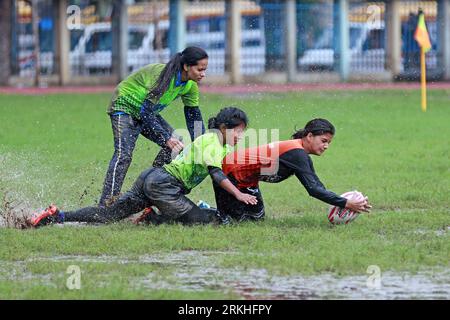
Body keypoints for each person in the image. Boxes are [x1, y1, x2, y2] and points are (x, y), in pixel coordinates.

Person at [28, 107, 257, 228]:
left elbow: (230, 169)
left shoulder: (222, 146)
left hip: (152, 177)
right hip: (165, 186)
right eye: (238, 131)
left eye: (243, 132)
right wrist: (239, 196)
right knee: (205, 220)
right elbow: (217, 175)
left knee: (109, 215)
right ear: (224, 127)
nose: (240, 136)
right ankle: (152, 219)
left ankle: (58, 216)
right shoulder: (212, 141)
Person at [99, 46, 209, 207]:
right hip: (125, 106)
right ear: (186, 66)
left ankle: (151, 185)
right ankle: (106, 205)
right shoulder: (163, 75)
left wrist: (204, 144)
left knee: (176, 143)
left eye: (205, 70)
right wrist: (165, 138)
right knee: (124, 155)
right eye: (200, 69)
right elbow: (145, 113)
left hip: (146, 111)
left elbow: (194, 117)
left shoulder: (190, 86)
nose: (203, 74)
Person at [212, 118, 372, 222]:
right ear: (309, 136)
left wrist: (344, 202)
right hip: (228, 176)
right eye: (323, 141)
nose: (326, 146)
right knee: (229, 221)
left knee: (256, 219)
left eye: (329, 142)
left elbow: (316, 185)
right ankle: (204, 210)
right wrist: (346, 203)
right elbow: (314, 190)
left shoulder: (298, 152)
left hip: (247, 182)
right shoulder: (296, 153)